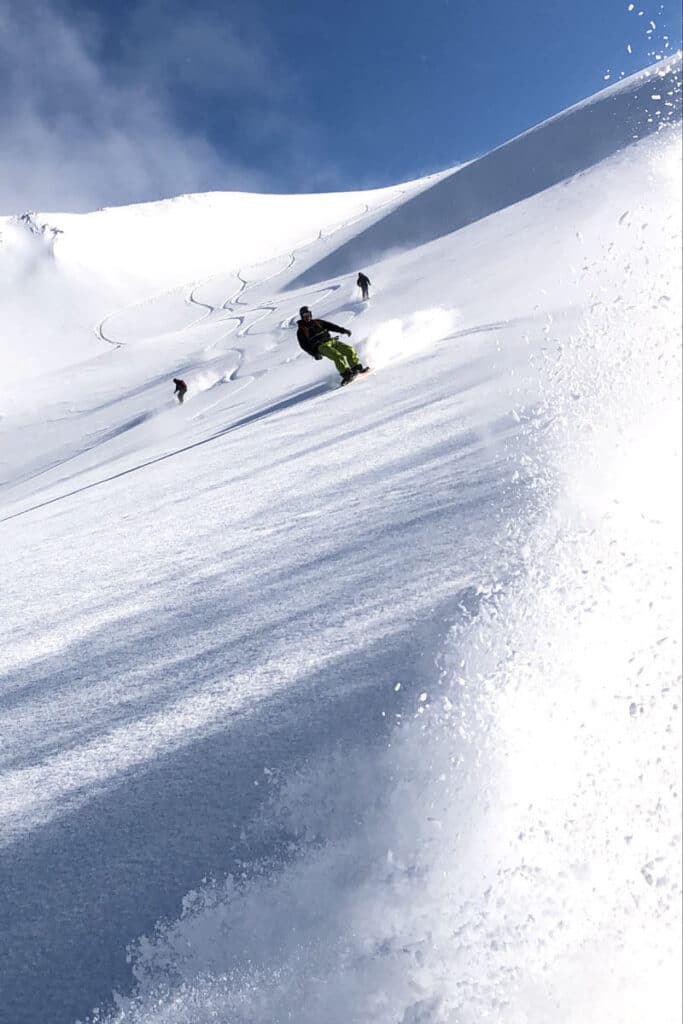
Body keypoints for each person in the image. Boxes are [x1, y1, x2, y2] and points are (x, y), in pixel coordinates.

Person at [296, 306, 367, 384]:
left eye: (308, 314)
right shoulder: (301, 331)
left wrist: (343, 330)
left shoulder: (318, 322)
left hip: (332, 341)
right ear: (302, 316)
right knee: (337, 356)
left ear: (311, 314)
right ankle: (347, 374)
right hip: (321, 346)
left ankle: (356, 368)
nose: (307, 317)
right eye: (305, 315)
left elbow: (331, 326)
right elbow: (304, 345)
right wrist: (314, 354)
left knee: (350, 350)